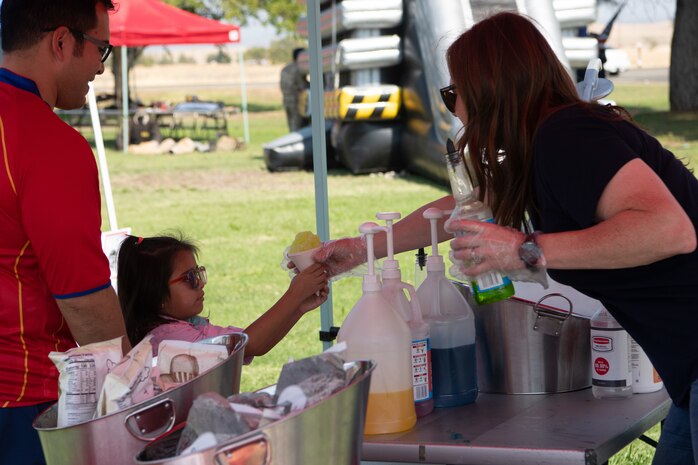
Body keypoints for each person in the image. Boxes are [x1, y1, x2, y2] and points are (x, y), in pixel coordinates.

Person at [311, 12, 698, 465]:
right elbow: (460, 208)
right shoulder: (543, 148)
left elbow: (668, 228)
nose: (453, 108)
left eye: (454, 93)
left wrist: (526, 251)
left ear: (490, 89)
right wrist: (362, 249)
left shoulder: (569, 135)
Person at [0, 1, 129, 463]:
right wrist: (133, 387)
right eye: (101, 48)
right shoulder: (48, 142)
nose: (99, 65)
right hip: (22, 401)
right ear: (61, 42)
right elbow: (85, 302)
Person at [117, 235, 329, 359]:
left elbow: (254, 340)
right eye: (190, 278)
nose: (200, 282)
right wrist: (294, 295)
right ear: (156, 294)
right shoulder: (169, 339)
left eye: (198, 273)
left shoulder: (183, 326)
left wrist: (299, 306)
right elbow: (250, 344)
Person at [280, 47, 309, 132]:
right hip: (296, 101)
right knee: (298, 127)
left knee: (291, 125)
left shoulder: (285, 68)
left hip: (286, 100)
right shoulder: (298, 69)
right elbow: (302, 86)